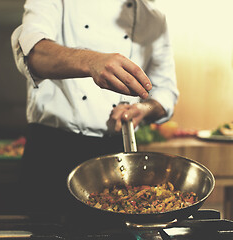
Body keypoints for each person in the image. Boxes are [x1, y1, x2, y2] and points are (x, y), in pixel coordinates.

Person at [11, 0, 179, 218]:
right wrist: (91, 60)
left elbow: (166, 91)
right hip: (52, 153)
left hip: (116, 159)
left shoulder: (154, 16)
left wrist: (144, 109)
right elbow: (34, 53)